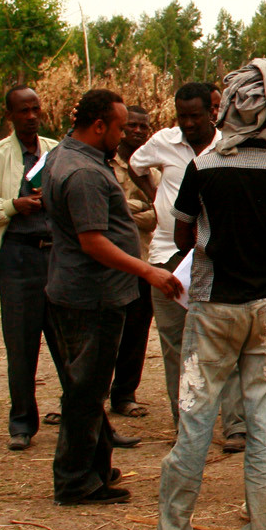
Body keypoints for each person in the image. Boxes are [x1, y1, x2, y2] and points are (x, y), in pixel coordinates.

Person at [137, 60, 266, 530]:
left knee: (195, 417)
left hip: (212, 304)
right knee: (264, 420)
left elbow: (184, 234)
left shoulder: (203, 168)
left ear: (229, 109)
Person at [44, 90, 184, 505]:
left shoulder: (68, 157)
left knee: (87, 386)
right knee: (86, 390)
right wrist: (148, 271)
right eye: (121, 127)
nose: (126, 134)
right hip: (92, 295)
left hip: (84, 291)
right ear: (99, 126)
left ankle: (94, 466)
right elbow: (93, 242)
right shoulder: (84, 173)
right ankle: (75, 481)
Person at [129, 84, 246, 451]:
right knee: (175, 345)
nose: (189, 123)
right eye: (183, 116)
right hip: (168, 258)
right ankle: (188, 426)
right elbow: (135, 164)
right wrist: (157, 196)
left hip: (217, 258)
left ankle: (235, 426)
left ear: (212, 113)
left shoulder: (229, 145)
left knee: (224, 343)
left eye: (196, 115)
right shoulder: (164, 142)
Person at [0, 86, 65, 452]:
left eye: (36, 108)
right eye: (23, 110)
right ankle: (22, 423)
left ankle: (80, 417)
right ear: (10, 115)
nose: (31, 115)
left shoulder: (57, 151)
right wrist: (12, 206)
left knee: (69, 343)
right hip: (18, 259)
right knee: (21, 345)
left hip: (57, 258)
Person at [109, 105, 155, 422]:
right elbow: (110, 210)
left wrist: (129, 210)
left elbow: (162, 212)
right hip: (111, 261)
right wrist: (141, 207)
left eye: (144, 126)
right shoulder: (105, 164)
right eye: (132, 126)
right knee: (103, 332)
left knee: (136, 332)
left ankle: (125, 394)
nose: (138, 131)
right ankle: (85, 395)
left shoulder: (154, 169)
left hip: (144, 260)